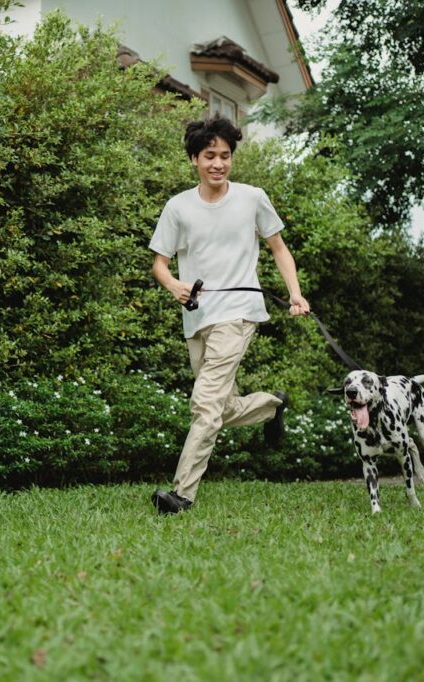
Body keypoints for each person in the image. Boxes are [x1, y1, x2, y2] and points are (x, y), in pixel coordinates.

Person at [149, 114, 310, 515]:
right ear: (194, 160)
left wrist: (295, 294)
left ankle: (181, 494)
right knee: (218, 406)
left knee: (204, 403)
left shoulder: (252, 197)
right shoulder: (178, 207)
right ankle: (271, 405)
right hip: (197, 315)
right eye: (209, 156)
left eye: (225, 155)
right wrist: (173, 285)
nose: (218, 163)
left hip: (239, 312)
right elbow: (160, 264)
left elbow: (278, 248)